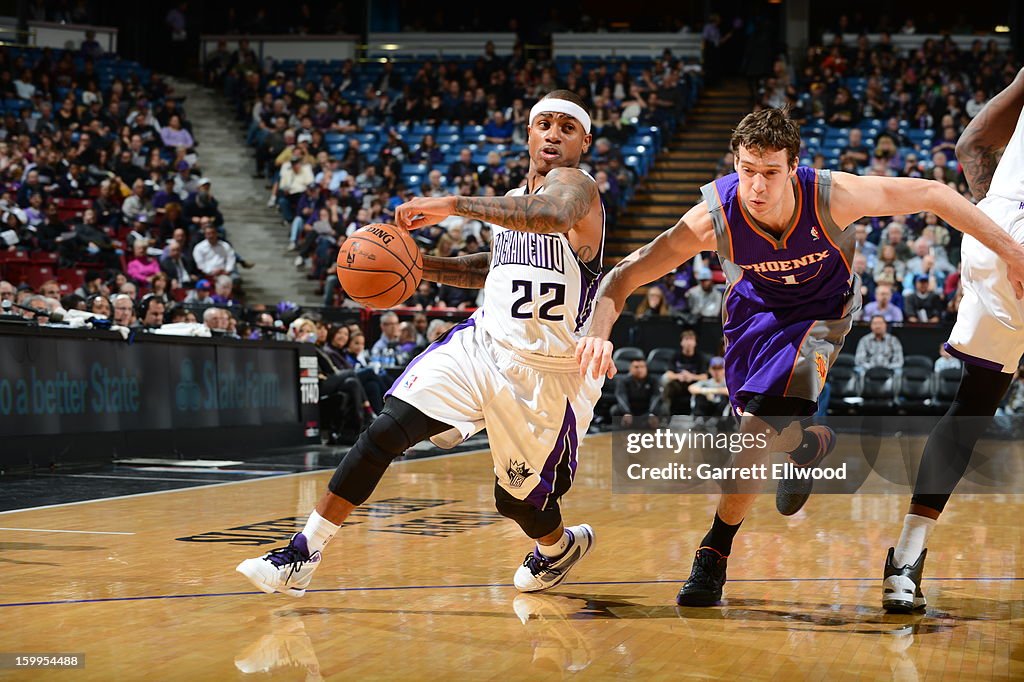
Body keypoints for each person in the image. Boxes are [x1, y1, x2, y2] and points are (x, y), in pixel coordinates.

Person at [576, 107, 1024, 607]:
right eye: (747, 170)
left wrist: (1012, 251)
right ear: (735, 163)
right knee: (764, 425)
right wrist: (599, 332)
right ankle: (806, 448)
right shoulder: (713, 217)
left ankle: (714, 551)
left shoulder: (833, 195)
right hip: (754, 315)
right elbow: (623, 277)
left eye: (770, 173)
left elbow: (935, 195)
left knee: (754, 434)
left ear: (794, 168)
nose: (758, 186)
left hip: (820, 317)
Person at [237, 89, 606, 597]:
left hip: (546, 372)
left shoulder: (576, 188)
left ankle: (558, 547)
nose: (554, 135)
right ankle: (303, 552)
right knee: (385, 431)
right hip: (483, 346)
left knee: (516, 502)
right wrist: (417, 266)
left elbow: (552, 215)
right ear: (528, 132)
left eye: (568, 128)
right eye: (545, 124)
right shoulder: (514, 202)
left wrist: (453, 204)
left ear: (585, 141)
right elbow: (494, 267)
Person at [882, 67, 1024, 613]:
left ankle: (906, 561)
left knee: (972, 407)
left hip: (994, 230)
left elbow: (969, 144)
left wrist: (1000, 233)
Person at [661, 329, 709, 415]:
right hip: (679, 384)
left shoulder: (700, 357)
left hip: (694, 385)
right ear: (681, 342)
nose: (689, 343)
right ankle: (665, 414)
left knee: (704, 387)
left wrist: (691, 377)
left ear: (695, 343)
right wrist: (679, 376)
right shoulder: (675, 355)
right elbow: (669, 374)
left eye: (691, 339)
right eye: (686, 339)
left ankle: (698, 416)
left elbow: (704, 377)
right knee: (666, 382)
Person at [612, 359, 661, 428]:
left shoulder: (653, 381)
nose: (639, 370)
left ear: (646, 368)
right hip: (631, 409)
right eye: (636, 367)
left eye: (642, 367)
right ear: (630, 369)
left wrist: (652, 413)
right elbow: (621, 397)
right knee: (614, 410)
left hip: (647, 410)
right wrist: (627, 412)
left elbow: (656, 397)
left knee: (663, 409)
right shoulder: (623, 381)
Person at [689, 356, 730, 420]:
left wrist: (711, 391)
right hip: (707, 408)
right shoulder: (707, 382)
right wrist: (705, 392)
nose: (716, 371)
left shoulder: (728, 383)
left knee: (726, 397)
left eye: (719, 368)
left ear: (724, 369)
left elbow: (730, 392)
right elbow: (691, 388)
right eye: (714, 368)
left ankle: (717, 421)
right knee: (700, 396)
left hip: (720, 412)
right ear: (709, 370)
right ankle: (699, 420)